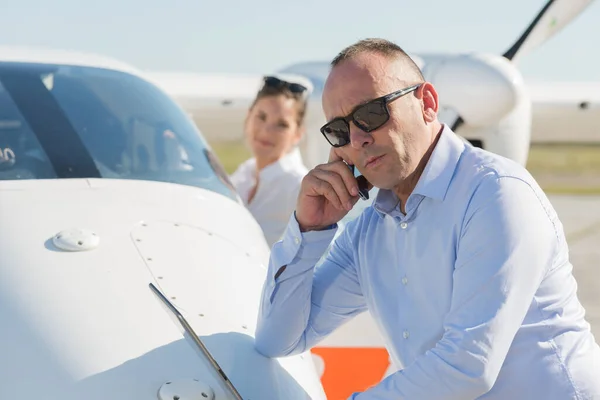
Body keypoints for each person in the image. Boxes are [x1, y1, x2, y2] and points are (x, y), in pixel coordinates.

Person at [254, 38, 600, 399]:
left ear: (428, 103)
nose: (357, 139)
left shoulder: (496, 194)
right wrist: (308, 230)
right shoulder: (369, 232)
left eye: (370, 114)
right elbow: (278, 338)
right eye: (339, 131)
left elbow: (468, 366)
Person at [230, 75, 310, 247]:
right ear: (248, 116)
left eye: (281, 124)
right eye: (261, 116)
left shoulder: (301, 187)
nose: (266, 130)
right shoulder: (242, 175)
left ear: (297, 134)